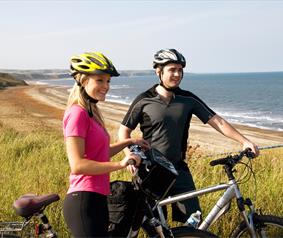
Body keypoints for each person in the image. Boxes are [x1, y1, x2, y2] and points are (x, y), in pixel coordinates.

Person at [118, 48, 259, 223]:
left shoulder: (188, 99)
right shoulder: (144, 100)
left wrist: (244, 141)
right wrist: (130, 154)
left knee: (193, 221)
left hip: (179, 170)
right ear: (158, 71)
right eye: (172, 70)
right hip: (149, 171)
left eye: (180, 70)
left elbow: (217, 121)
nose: (177, 74)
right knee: (156, 227)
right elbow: (123, 131)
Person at [62, 51, 148, 237]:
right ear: (83, 80)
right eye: (99, 80)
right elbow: (77, 165)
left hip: (98, 197)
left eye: (108, 81)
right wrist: (121, 164)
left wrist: (130, 141)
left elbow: (100, 153)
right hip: (84, 198)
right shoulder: (77, 113)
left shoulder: (91, 113)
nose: (106, 86)